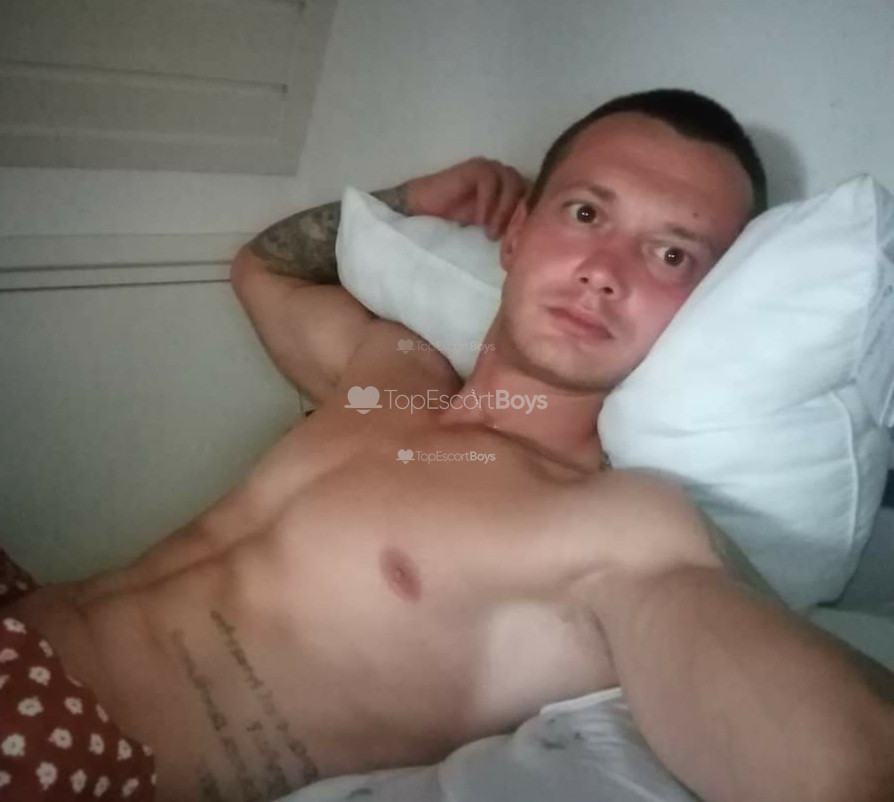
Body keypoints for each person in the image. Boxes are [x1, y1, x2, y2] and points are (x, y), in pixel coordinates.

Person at [2, 89, 892, 802]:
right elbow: (261, 269)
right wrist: (416, 199)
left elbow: (839, 761)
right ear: (518, 234)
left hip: (70, 763)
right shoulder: (391, 369)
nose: (604, 271)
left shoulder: (607, 522)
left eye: (671, 256)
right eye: (587, 212)